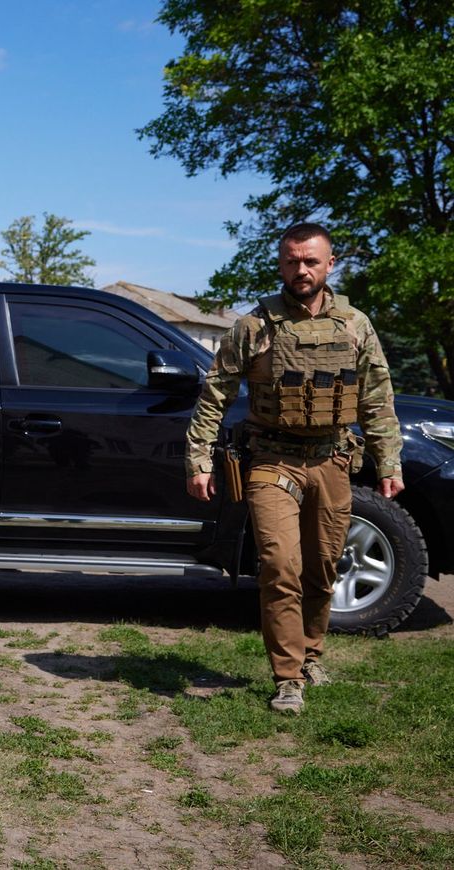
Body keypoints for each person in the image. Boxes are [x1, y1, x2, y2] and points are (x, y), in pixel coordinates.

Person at [184, 222, 403, 715]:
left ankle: (311, 654)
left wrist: (389, 460)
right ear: (280, 263)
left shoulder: (355, 324)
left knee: (324, 568)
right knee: (281, 567)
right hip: (271, 459)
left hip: (331, 458)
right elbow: (215, 395)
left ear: (330, 264)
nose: (300, 269)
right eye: (291, 261)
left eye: (310, 261)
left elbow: (377, 397)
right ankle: (288, 678)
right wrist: (199, 459)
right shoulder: (254, 326)